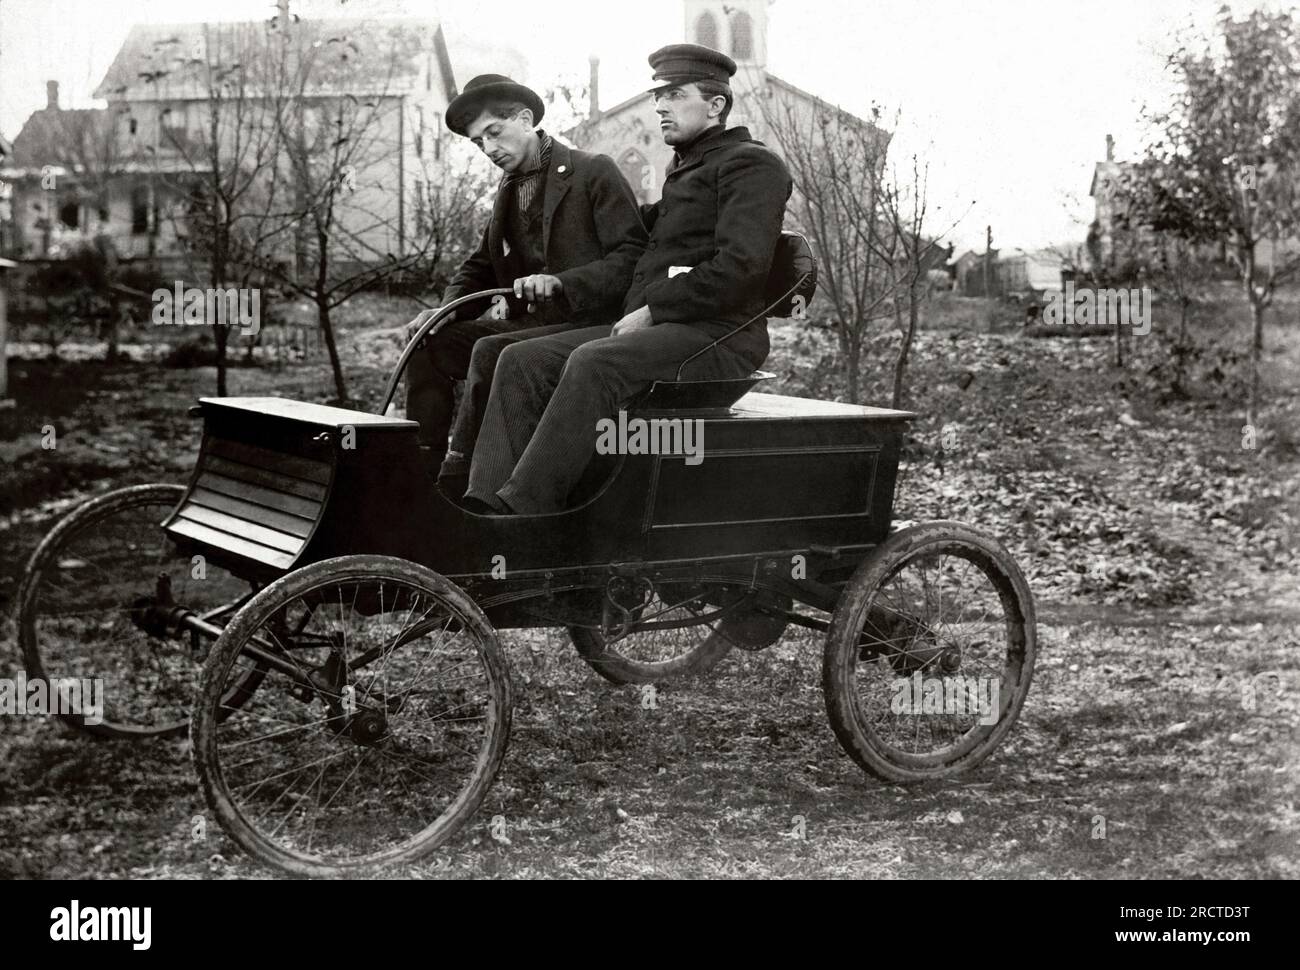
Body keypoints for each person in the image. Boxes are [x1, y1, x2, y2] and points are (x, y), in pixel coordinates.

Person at [463, 43, 793, 515]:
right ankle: (481, 508)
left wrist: (657, 308)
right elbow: (634, 234)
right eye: (659, 96)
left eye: (676, 95)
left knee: (595, 362)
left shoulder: (751, 165)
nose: (660, 106)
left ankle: (526, 514)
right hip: (669, 332)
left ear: (716, 106)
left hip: (720, 338)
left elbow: (741, 268)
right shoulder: (687, 170)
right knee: (518, 358)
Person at [403, 73, 647, 487]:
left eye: (494, 133)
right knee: (427, 342)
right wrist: (445, 311)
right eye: (479, 143)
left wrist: (563, 282)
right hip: (530, 325)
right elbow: (479, 264)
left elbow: (632, 257)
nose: (489, 149)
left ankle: (463, 476)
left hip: (586, 324)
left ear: (524, 118)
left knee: (490, 349)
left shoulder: (592, 171)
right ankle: (417, 471)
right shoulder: (509, 187)